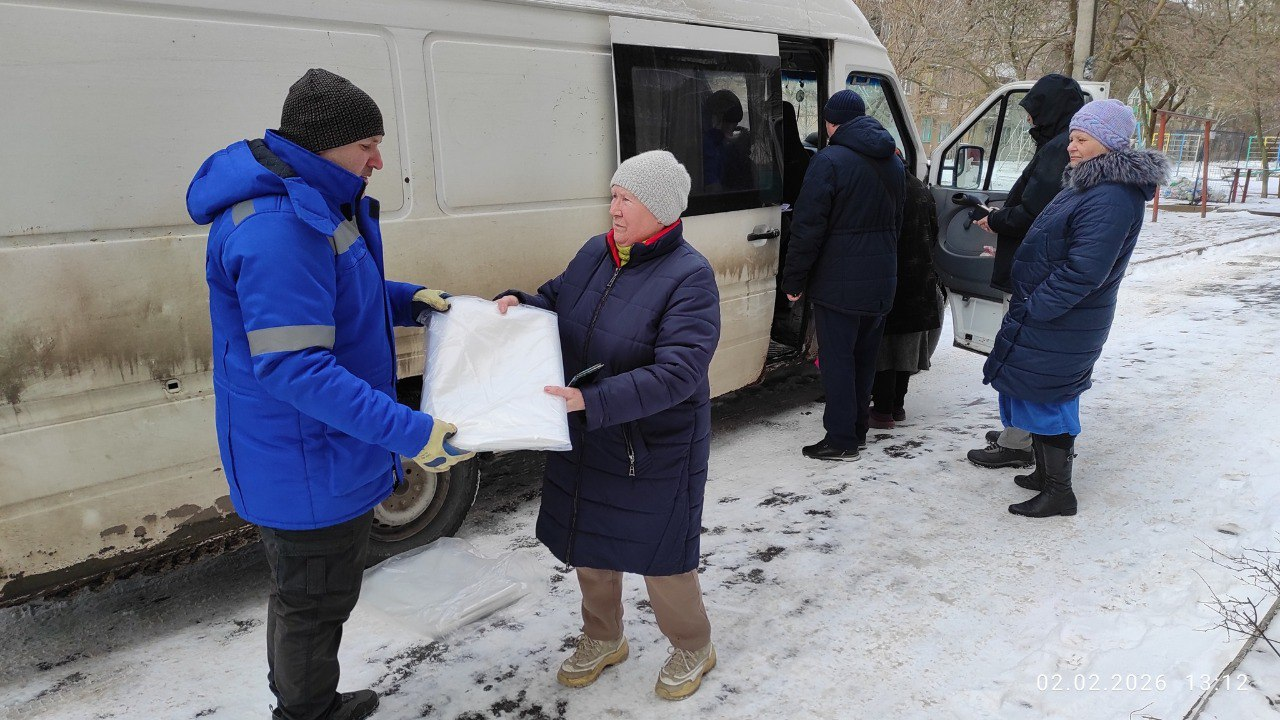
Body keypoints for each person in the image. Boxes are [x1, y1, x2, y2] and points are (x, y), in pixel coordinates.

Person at [186, 68, 474, 720]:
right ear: (324, 145)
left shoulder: (311, 200)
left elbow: (341, 293)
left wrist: (411, 300)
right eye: (367, 145)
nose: (379, 160)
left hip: (318, 453)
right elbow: (296, 369)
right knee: (312, 601)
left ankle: (310, 700)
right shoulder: (278, 227)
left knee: (318, 597)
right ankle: (307, 713)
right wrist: (414, 433)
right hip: (305, 463)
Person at [496, 150, 721, 700]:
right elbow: (556, 300)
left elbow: (678, 372)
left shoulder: (690, 277)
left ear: (660, 209)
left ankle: (693, 644)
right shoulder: (597, 252)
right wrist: (519, 305)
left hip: (652, 445)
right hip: (590, 432)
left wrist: (589, 400)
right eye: (613, 196)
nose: (613, 208)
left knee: (663, 558)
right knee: (590, 543)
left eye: (626, 199)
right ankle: (604, 637)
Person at [983, 99, 1169, 518]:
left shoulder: (1112, 197)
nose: (1072, 146)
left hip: (1063, 317)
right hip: (1052, 314)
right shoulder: (1088, 185)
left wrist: (1040, 304)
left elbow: (1086, 270)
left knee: (1051, 399)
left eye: (1083, 139)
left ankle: (1058, 492)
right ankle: (1044, 473)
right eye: (1071, 137)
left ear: (1108, 143)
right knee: (1039, 392)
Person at [967, 74, 1086, 469]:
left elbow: (1034, 211)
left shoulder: (1058, 149)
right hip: (1042, 270)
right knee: (1036, 364)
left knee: (1023, 360)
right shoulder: (1063, 145)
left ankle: (1019, 442)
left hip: (1037, 274)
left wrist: (998, 221)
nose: (1030, 120)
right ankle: (1023, 435)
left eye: (1035, 111)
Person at [782, 89, 906, 460]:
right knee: (864, 360)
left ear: (829, 122)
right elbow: (895, 224)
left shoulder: (828, 161)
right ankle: (857, 431)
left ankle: (840, 440)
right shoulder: (893, 160)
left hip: (839, 283)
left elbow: (808, 227)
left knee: (837, 363)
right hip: (881, 279)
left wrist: (794, 280)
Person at [869, 171, 944, 429]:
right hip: (919, 277)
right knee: (906, 347)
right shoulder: (920, 188)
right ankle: (897, 406)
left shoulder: (880, 187)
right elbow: (934, 231)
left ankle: (881, 410)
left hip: (889, 276)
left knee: (884, 348)